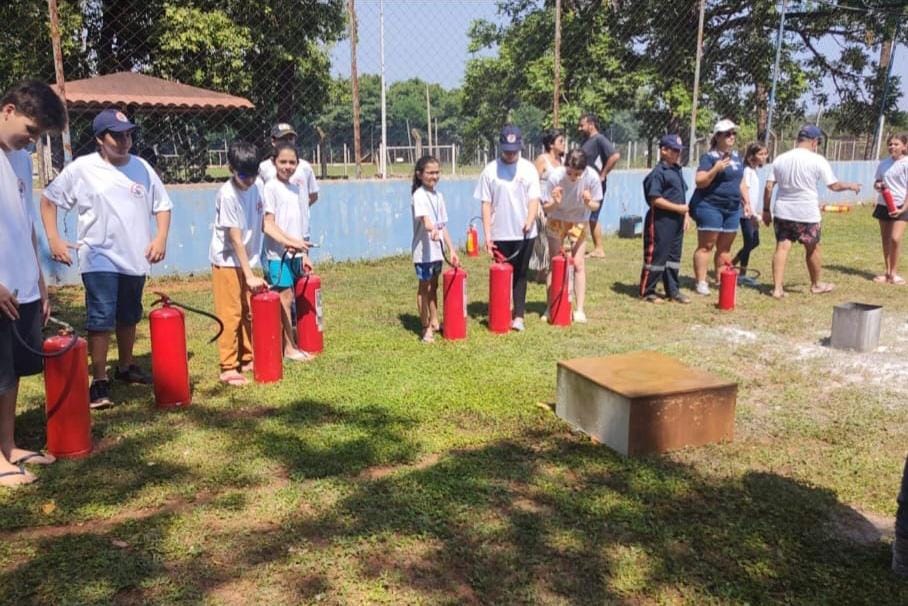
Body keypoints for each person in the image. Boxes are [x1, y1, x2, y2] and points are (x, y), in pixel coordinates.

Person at [41, 108, 172, 409]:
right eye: (117, 135)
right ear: (101, 138)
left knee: (129, 314)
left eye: (128, 134)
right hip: (98, 256)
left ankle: (125, 367)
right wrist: (54, 239)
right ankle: (99, 381)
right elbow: (49, 200)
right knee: (101, 317)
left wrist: (160, 237)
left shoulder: (141, 167)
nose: (125, 140)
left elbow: (163, 205)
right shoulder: (82, 169)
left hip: (135, 256)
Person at [0, 80, 67, 487]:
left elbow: (25, 224)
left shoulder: (21, 158)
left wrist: (39, 281)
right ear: (8, 110)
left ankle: (8, 445)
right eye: (31, 129)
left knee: (14, 373)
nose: (32, 139)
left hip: (22, 285)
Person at [762, 125, 861, 298]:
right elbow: (834, 185)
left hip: (783, 210)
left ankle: (777, 288)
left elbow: (769, 186)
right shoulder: (817, 160)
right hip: (806, 212)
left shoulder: (781, 158)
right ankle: (816, 284)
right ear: (814, 142)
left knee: (782, 247)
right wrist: (850, 186)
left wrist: (765, 210)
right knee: (813, 249)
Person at [209, 141, 267, 386]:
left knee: (248, 311)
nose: (249, 180)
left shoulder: (257, 186)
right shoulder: (227, 194)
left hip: (247, 260)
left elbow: (263, 221)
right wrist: (249, 274)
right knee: (230, 313)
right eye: (244, 175)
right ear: (230, 168)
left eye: (254, 174)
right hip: (228, 261)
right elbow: (235, 238)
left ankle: (247, 357)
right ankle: (228, 365)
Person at [475, 125, 540, 332]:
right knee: (502, 272)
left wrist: (529, 220)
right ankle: (501, 311)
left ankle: (519, 315)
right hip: (499, 232)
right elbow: (485, 203)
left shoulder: (528, 169)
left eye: (514, 150)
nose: (510, 154)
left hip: (524, 233)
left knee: (521, 273)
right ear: (501, 146)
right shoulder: (490, 170)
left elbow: (534, 199)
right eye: (507, 150)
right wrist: (487, 234)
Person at [261, 142, 313, 361]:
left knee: (294, 298)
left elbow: (301, 222)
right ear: (274, 162)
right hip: (277, 255)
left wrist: (303, 251)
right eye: (283, 162)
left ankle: (294, 341)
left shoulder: (297, 188)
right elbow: (268, 224)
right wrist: (288, 243)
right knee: (284, 298)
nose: (288, 166)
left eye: (292, 162)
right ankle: (288, 348)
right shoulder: (270, 188)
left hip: (296, 253)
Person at [541, 149, 602, 322]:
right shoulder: (555, 177)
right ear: (565, 165)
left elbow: (596, 205)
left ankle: (580, 309)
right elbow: (545, 208)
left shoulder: (592, 177)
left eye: (577, 174)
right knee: (554, 263)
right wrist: (555, 203)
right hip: (557, 218)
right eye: (570, 172)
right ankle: (550, 306)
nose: (573, 177)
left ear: (585, 169)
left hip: (579, 221)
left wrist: (589, 202)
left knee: (578, 264)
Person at [690, 119, 745, 296]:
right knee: (707, 245)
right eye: (727, 133)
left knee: (725, 248)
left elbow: (741, 181)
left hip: (732, 208)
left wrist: (747, 202)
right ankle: (701, 282)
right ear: (718, 136)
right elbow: (699, 181)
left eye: (733, 133)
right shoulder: (710, 157)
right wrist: (716, 169)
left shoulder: (736, 156)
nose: (732, 136)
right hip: (710, 206)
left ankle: (722, 281)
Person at [411, 156, 458, 343]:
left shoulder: (439, 196)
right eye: (430, 172)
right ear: (420, 174)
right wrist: (431, 231)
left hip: (437, 251)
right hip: (423, 252)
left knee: (435, 286)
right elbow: (426, 220)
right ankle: (425, 327)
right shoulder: (419, 195)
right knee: (425, 287)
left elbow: (442, 225)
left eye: (437, 172)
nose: (434, 176)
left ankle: (435, 321)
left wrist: (452, 250)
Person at [639, 134, 691, 304]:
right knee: (657, 256)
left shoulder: (676, 170)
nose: (678, 154)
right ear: (663, 151)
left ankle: (673, 290)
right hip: (661, 221)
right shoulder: (659, 173)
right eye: (674, 151)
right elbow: (656, 200)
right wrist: (679, 209)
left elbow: (681, 196)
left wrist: (685, 215)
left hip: (677, 221)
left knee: (673, 256)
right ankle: (648, 290)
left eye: (679, 151)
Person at [578, 112, 620, 259]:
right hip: (585, 183)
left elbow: (615, 156)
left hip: (595, 185)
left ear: (591, 125)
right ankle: (582, 243)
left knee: (593, 216)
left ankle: (599, 249)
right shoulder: (587, 140)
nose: (579, 128)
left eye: (582, 125)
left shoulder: (599, 139)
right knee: (587, 215)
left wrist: (602, 175)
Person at [529, 129, 565, 283]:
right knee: (543, 238)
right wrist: (535, 204)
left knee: (555, 238)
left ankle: (549, 268)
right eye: (561, 141)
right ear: (551, 145)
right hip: (542, 205)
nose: (564, 145)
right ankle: (542, 271)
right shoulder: (542, 160)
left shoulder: (562, 162)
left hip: (557, 206)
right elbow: (532, 181)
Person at [871, 133, 908, 284]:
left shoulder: (906, 164)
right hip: (883, 205)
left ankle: (894, 273)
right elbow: (877, 182)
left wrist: (903, 209)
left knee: (895, 238)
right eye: (890, 144)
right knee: (886, 239)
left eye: (896, 144)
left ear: (904, 146)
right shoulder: (883, 164)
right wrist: (878, 186)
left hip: (901, 206)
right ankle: (887, 273)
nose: (892, 147)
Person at [732, 142, 770, 286]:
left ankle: (733, 263)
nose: (764, 157)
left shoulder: (754, 171)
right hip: (746, 213)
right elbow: (744, 192)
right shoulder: (747, 171)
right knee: (749, 242)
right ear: (751, 156)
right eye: (761, 154)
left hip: (751, 212)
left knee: (755, 241)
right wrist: (752, 214)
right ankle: (741, 274)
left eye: (765, 154)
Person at [257, 123, 319, 208]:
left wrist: (299, 209)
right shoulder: (264, 167)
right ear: (273, 141)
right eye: (283, 139)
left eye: (290, 139)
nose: (287, 142)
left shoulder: (305, 167)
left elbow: (313, 195)